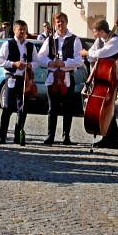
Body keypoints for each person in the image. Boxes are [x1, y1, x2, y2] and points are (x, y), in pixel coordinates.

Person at [35, 12, 84, 145]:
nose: (60, 24)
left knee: (68, 108)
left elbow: (79, 60)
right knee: (52, 108)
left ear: (66, 22)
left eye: (62, 21)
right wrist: (50, 63)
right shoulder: (50, 39)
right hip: (53, 78)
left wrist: (65, 63)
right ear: (55, 24)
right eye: (57, 22)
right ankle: (50, 136)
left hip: (67, 77)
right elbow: (40, 57)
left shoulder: (75, 39)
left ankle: (66, 136)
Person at [80, 19, 118, 149]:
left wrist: (88, 53)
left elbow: (102, 53)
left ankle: (113, 140)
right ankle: (107, 137)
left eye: (96, 33)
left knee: (109, 108)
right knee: (105, 108)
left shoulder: (115, 41)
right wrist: (90, 54)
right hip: (101, 78)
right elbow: (92, 56)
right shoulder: (100, 41)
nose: (95, 36)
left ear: (103, 31)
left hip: (112, 78)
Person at [0, 20, 35, 144]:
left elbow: (38, 62)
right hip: (11, 78)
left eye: (24, 29)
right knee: (7, 107)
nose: (22, 32)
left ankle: (18, 136)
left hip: (24, 79)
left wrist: (30, 65)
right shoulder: (8, 44)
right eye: (20, 29)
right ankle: (2, 137)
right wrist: (14, 64)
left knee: (22, 109)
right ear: (14, 30)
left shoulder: (30, 46)